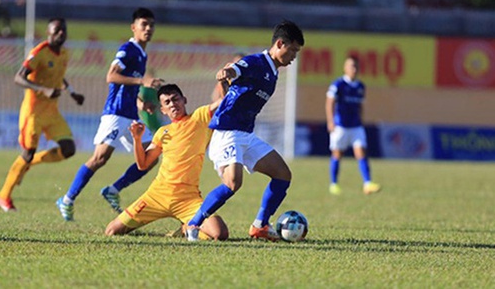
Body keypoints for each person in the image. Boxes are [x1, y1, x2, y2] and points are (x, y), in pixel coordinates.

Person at [185, 20, 305, 242]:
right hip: (227, 133)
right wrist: (226, 71)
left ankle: (260, 225)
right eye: (293, 50)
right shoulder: (256, 62)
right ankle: (193, 223)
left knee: (283, 174)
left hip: (245, 135)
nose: (294, 57)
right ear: (280, 44)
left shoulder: (273, 71)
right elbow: (237, 69)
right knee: (233, 183)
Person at [56, 7, 162, 221]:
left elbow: (129, 87)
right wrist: (142, 81)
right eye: (144, 24)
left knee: (151, 157)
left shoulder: (142, 54)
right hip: (115, 114)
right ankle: (67, 199)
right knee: (99, 158)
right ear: (134, 28)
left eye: (151, 24)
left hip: (131, 114)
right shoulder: (128, 49)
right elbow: (111, 76)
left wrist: (141, 104)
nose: (148, 28)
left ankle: (113, 190)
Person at [105, 84, 229, 240]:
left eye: (175, 99)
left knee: (220, 234)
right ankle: (188, 226)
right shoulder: (162, 132)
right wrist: (137, 139)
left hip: (188, 199)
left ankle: (186, 227)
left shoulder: (200, 117)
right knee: (111, 231)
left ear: (184, 100)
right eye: (167, 102)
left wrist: (223, 82)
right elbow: (143, 164)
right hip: (156, 196)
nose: (173, 104)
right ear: (162, 110)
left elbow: (224, 100)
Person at [0, 17, 85, 212]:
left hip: (52, 111)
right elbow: (19, 77)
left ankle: (32, 161)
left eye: (64, 31)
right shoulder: (38, 53)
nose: (61, 33)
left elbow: (59, 77)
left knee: (69, 148)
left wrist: (72, 93)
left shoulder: (64, 53)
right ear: (49, 32)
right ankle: (3, 196)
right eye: (57, 30)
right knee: (27, 152)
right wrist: (43, 90)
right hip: (33, 111)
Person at [325, 56, 381, 196]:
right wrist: (330, 121)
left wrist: (361, 120)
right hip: (340, 126)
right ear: (345, 68)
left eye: (356, 66)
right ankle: (334, 184)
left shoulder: (361, 87)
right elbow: (329, 102)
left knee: (361, 152)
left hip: (356, 126)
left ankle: (367, 183)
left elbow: (360, 106)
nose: (354, 69)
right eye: (351, 66)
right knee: (338, 154)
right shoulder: (338, 85)